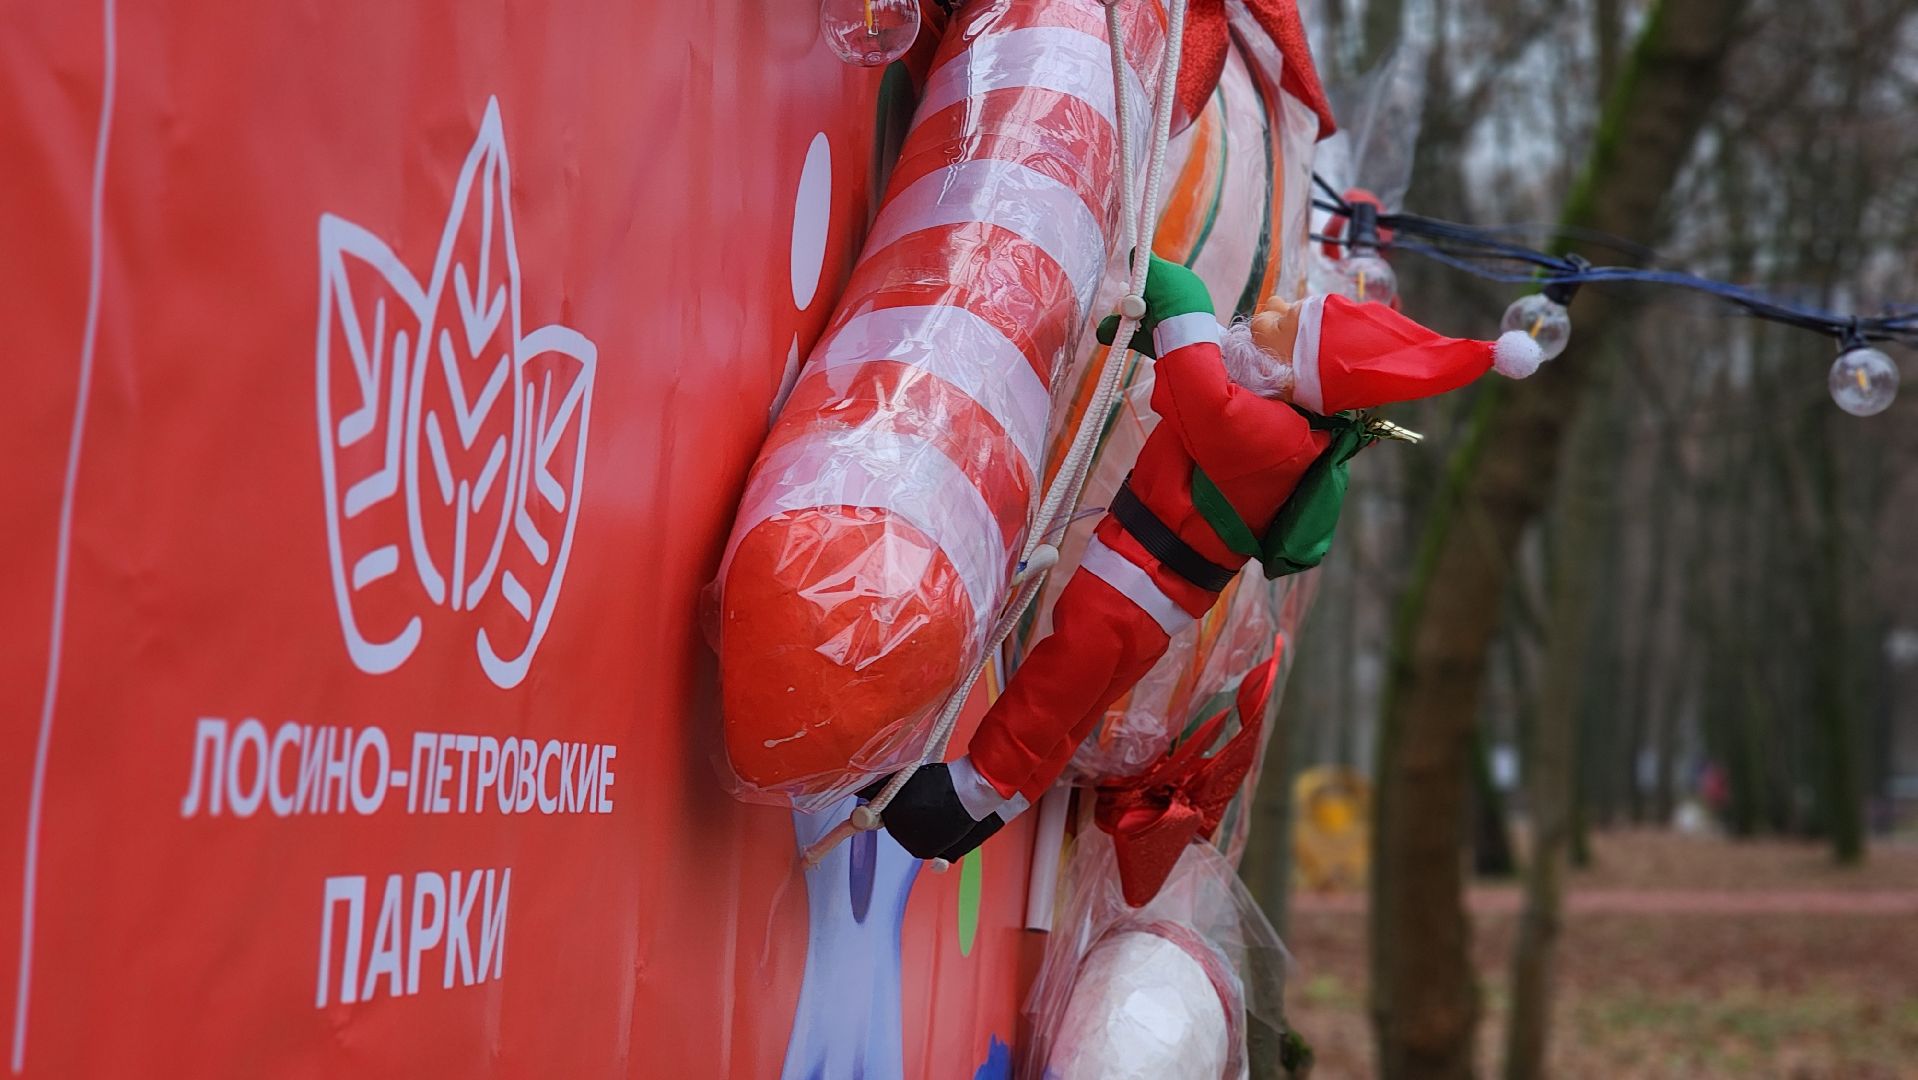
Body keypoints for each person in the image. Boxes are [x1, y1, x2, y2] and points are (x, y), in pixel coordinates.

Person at [873, 255, 1545, 860]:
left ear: (1296, 377)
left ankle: (956, 797)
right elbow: (1182, 399)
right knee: (1073, 704)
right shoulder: (1289, 422)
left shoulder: (1274, 434)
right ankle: (993, 810)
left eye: (1284, 326)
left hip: (1132, 587)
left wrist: (1184, 302)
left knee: (1054, 689)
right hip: (1150, 597)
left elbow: (1200, 399)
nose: (1266, 313)